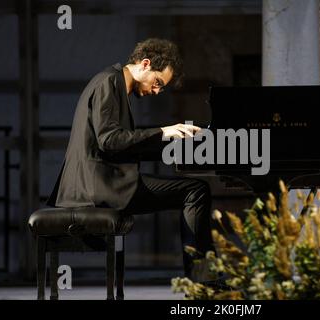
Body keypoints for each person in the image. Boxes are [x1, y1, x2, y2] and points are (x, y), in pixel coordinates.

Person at [47, 38, 216, 282]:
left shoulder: (114, 83)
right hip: (96, 187)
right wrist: (163, 132)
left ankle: (202, 277)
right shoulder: (108, 82)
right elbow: (109, 140)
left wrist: (176, 148)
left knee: (194, 189)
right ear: (145, 64)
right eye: (158, 83)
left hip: (99, 181)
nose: (157, 91)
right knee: (196, 191)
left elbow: (121, 145)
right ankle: (202, 280)